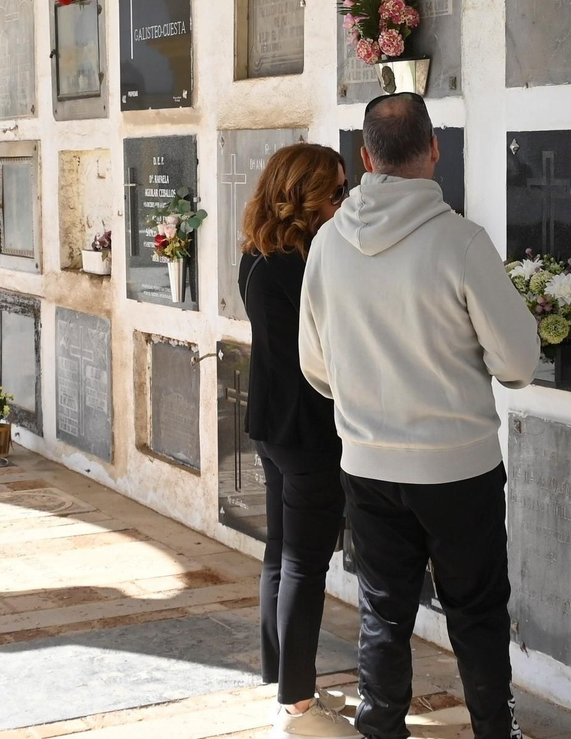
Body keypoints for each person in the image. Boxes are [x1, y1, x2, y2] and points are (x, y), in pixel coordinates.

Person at [299, 93, 540, 739]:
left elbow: (315, 366)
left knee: (383, 611)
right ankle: (494, 732)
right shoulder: (460, 242)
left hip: (368, 465)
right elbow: (518, 362)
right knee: (476, 611)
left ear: (365, 157)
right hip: (457, 469)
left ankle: (380, 729)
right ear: (434, 149)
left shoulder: (326, 244)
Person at [238, 143, 359, 738]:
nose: (345, 201)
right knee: (305, 566)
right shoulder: (305, 264)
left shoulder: (257, 255)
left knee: (281, 554)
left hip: (272, 424)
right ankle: (298, 705)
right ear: (303, 195)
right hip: (310, 430)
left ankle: (280, 678)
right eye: (336, 192)